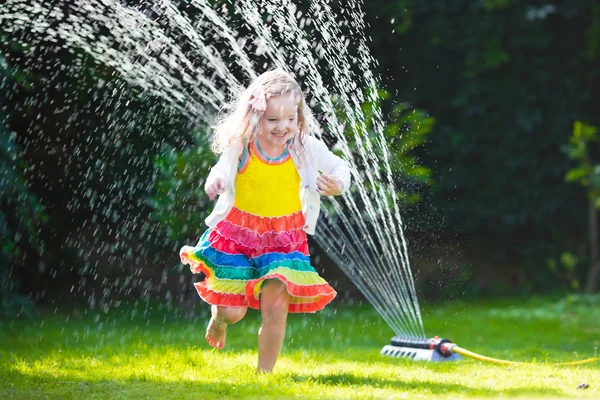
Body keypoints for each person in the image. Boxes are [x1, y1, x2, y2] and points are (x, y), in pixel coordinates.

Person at [179, 69, 351, 373]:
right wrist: (215, 182)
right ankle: (218, 320)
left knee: (275, 304)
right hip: (238, 235)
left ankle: (265, 375)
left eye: (289, 119)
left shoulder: (303, 146)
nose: (282, 127)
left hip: (283, 238)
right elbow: (221, 169)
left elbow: (340, 166)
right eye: (273, 120)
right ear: (256, 115)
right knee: (232, 312)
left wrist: (338, 182)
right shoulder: (242, 146)